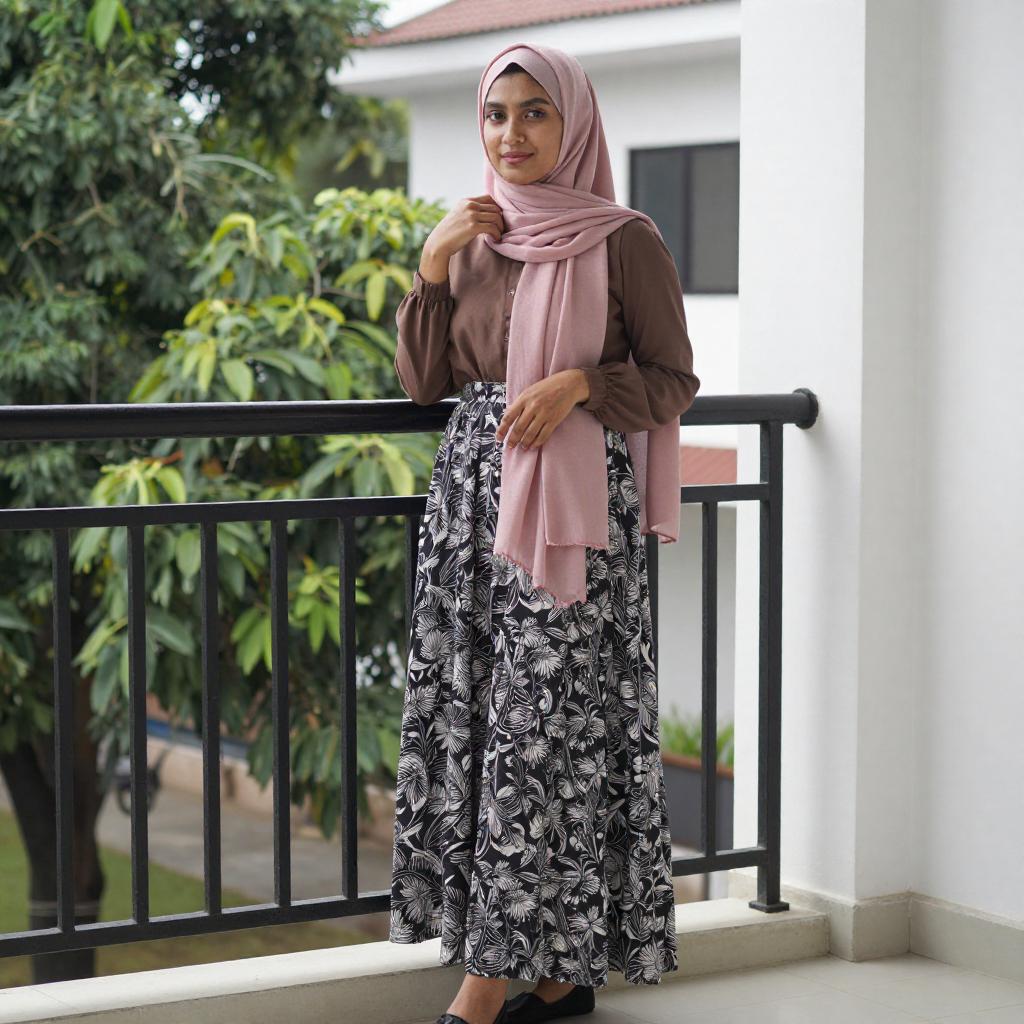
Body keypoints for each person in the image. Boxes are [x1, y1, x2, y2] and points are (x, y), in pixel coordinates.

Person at [388, 42, 700, 1024]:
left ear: (574, 122)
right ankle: (561, 979)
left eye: (534, 112)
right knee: (482, 722)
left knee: (546, 734)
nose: (511, 134)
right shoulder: (472, 237)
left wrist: (580, 384)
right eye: (496, 114)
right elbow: (423, 383)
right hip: (472, 506)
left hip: (573, 514)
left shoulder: (625, 240)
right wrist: (431, 265)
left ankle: (481, 988)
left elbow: (674, 379)